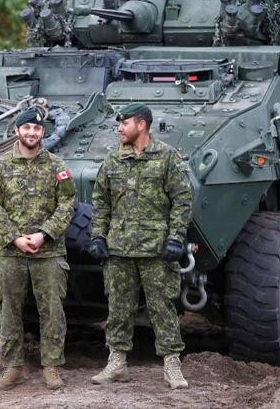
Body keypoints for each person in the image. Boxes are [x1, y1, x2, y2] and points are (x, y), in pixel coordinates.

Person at [88, 102, 193, 389]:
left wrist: (176, 238)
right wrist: (98, 236)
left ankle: (172, 366)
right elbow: (101, 203)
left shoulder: (167, 157)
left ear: (142, 124)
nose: (119, 128)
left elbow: (182, 201)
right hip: (119, 249)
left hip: (156, 249)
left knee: (162, 307)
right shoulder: (112, 160)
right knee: (119, 308)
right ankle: (117, 362)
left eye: (124, 123)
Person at [0, 108, 76, 391]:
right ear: (17, 131)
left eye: (37, 129)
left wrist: (43, 234)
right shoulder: (0, 166)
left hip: (48, 252)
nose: (32, 133)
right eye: (26, 128)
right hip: (10, 252)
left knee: (52, 311)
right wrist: (14, 237)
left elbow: (67, 203)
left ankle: (51, 367)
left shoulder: (56, 165)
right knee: (9, 311)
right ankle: (13, 368)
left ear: (42, 133)